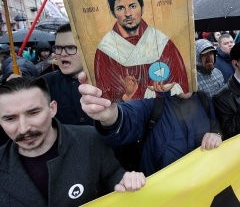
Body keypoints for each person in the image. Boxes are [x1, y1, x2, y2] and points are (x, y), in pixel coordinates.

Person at [0, 77, 145, 207]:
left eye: (33, 113)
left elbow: (112, 175)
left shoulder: (89, 140)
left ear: (52, 109)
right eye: (10, 118)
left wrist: (124, 181)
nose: (24, 129)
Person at [78, 71, 222, 177]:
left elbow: (216, 127)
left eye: (190, 73)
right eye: (180, 73)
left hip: (201, 187)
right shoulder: (153, 100)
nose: (185, 80)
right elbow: (128, 118)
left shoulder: (203, 99)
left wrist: (217, 135)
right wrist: (111, 117)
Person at [94, 0, 189, 102]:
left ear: (142, 8)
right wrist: (127, 95)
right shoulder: (106, 50)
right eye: (120, 8)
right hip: (129, 118)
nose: (128, 13)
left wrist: (168, 90)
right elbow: (105, 96)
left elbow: (183, 85)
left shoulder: (162, 42)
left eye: (133, 6)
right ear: (113, 13)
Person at [42, 24, 91, 125]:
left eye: (71, 47)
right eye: (58, 48)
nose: (63, 54)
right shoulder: (42, 85)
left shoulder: (108, 82)